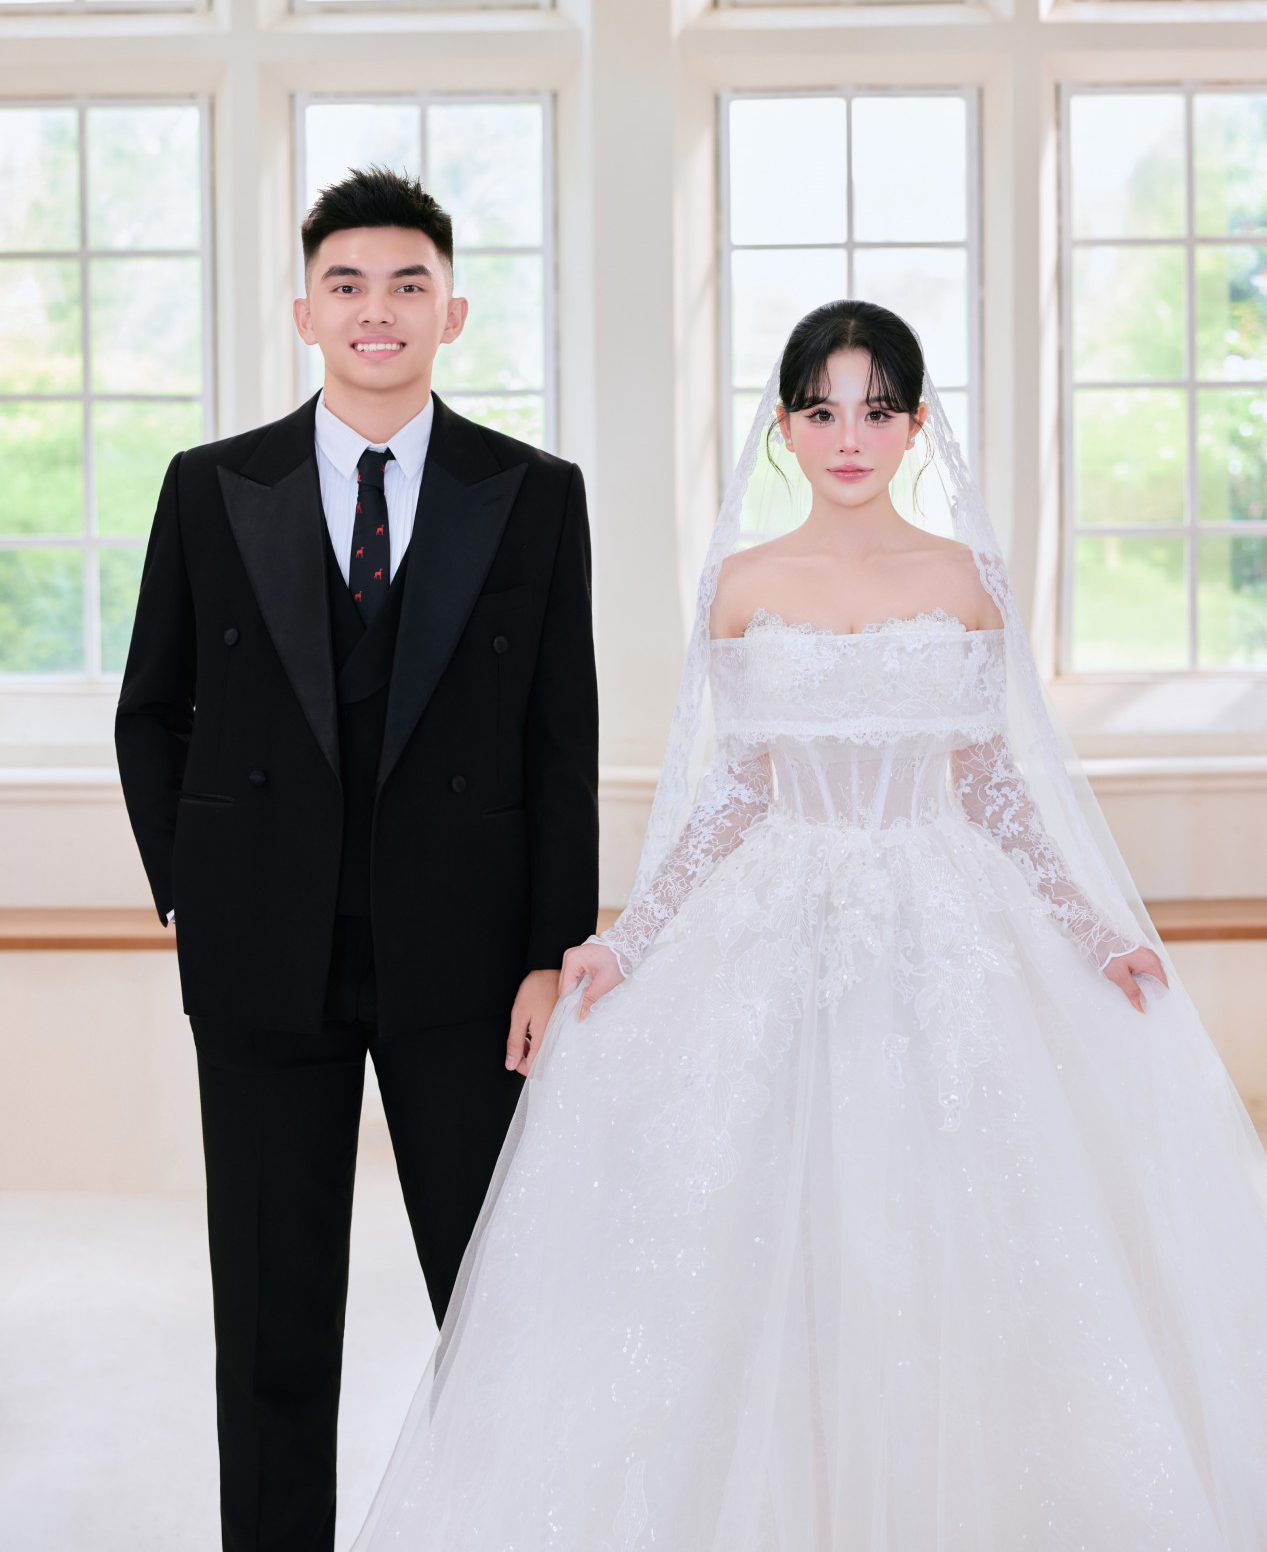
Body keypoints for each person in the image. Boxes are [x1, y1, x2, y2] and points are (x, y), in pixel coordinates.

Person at [354, 299, 1267, 1550]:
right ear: (783, 426)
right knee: (758, 1237)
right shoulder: (742, 583)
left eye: (877, 411)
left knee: (949, 1228)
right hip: (774, 933)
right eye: (822, 410)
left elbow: (992, 782)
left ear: (916, 425)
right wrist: (629, 936)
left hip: (943, 931)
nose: (849, 438)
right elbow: (732, 789)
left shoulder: (963, 580)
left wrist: (1088, 926)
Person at [113, 166, 598, 1551]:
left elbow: (560, 739)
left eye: (405, 284)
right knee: (271, 1324)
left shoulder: (532, 493)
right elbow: (151, 710)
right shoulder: (212, 487)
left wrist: (550, 955)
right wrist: (197, 893)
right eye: (346, 284)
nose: (375, 309)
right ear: (303, 313)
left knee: (498, 1307)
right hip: (263, 954)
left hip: (471, 965)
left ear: (452, 311)